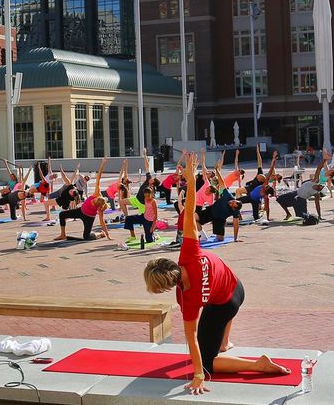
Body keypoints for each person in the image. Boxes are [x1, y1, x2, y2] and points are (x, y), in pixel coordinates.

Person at [142, 153, 290, 396]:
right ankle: (223, 342)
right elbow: (190, 214)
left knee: (209, 359)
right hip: (237, 288)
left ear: (168, 286)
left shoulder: (187, 299)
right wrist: (191, 181)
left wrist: (200, 374)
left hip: (224, 303)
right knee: (215, 311)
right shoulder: (188, 254)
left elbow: (192, 341)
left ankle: (259, 365)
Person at [56, 159, 113, 241]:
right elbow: (98, 178)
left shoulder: (100, 208)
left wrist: (107, 235)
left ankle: (100, 234)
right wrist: (102, 164)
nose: (93, 201)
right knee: (62, 214)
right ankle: (63, 235)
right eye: (94, 200)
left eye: (94, 203)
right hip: (80, 211)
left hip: (89, 218)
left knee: (86, 237)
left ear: (97, 205)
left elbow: (102, 222)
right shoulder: (97, 193)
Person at [124, 182, 159, 247]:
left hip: (150, 221)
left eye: (148, 196)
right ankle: (133, 236)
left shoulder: (153, 202)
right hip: (143, 217)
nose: (147, 197)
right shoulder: (145, 199)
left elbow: (156, 215)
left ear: (151, 194)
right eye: (145, 196)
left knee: (149, 240)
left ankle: (155, 236)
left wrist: (153, 226)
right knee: (128, 218)